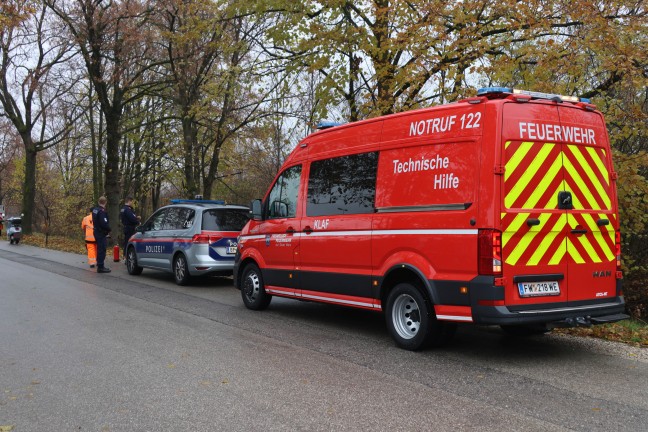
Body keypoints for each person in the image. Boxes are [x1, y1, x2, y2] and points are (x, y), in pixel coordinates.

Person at [92, 196, 112, 273]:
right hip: (100, 233)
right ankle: (101, 266)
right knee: (102, 249)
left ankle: (99, 263)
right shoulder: (102, 211)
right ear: (105, 202)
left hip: (96, 231)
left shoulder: (95, 210)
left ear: (98, 202)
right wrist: (109, 229)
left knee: (99, 248)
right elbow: (104, 223)